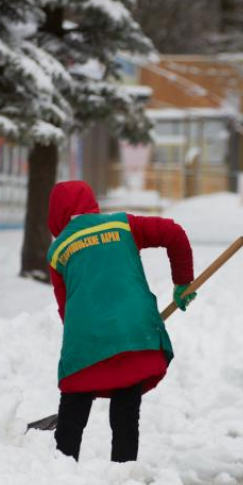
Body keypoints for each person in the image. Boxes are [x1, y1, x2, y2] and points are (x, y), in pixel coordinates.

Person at [46, 180, 196, 462]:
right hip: (135, 332)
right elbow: (174, 233)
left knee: (74, 411)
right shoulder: (123, 225)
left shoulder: (58, 252)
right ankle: (125, 473)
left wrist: (92, 345)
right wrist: (182, 282)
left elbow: (67, 309)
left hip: (88, 339)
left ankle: (62, 473)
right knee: (126, 409)